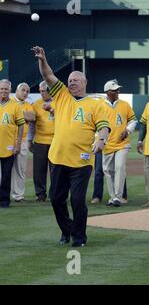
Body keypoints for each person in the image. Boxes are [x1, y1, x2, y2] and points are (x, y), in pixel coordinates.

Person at [32, 46, 110, 247]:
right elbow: (48, 75)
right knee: (56, 200)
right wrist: (42, 58)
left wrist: (101, 141)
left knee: (77, 200)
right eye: (69, 81)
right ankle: (67, 231)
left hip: (82, 161)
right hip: (57, 158)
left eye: (75, 80)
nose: (71, 82)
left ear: (84, 82)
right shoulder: (62, 96)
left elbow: (103, 127)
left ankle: (79, 237)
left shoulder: (96, 104)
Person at [101, 79, 137, 207]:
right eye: (115, 90)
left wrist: (127, 130)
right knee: (108, 171)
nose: (117, 92)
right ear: (107, 92)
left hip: (122, 143)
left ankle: (117, 197)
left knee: (120, 168)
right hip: (107, 144)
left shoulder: (125, 104)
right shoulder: (100, 106)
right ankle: (112, 197)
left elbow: (133, 120)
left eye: (118, 90)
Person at [28, 81, 54, 202]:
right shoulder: (36, 105)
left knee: (56, 170)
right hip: (40, 141)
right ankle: (40, 194)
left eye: (45, 91)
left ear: (51, 90)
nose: (42, 93)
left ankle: (55, 193)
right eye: (41, 91)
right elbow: (32, 125)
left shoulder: (59, 103)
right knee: (39, 170)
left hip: (56, 141)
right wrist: (29, 140)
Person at [0, 79, 24, 208]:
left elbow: (21, 126)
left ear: (10, 90)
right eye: (1, 88)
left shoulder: (15, 106)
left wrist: (18, 144)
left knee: (6, 175)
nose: (3, 91)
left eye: (6, 89)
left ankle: (4, 200)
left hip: (9, 147)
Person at [11, 82, 35, 203]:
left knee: (20, 169)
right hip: (7, 139)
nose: (25, 93)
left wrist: (15, 114)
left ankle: (18, 196)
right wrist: (23, 115)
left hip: (23, 140)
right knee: (3, 168)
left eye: (27, 91)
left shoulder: (27, 104)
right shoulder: (9, 101)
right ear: (17, 90)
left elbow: (32, 118)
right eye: (23, 90)